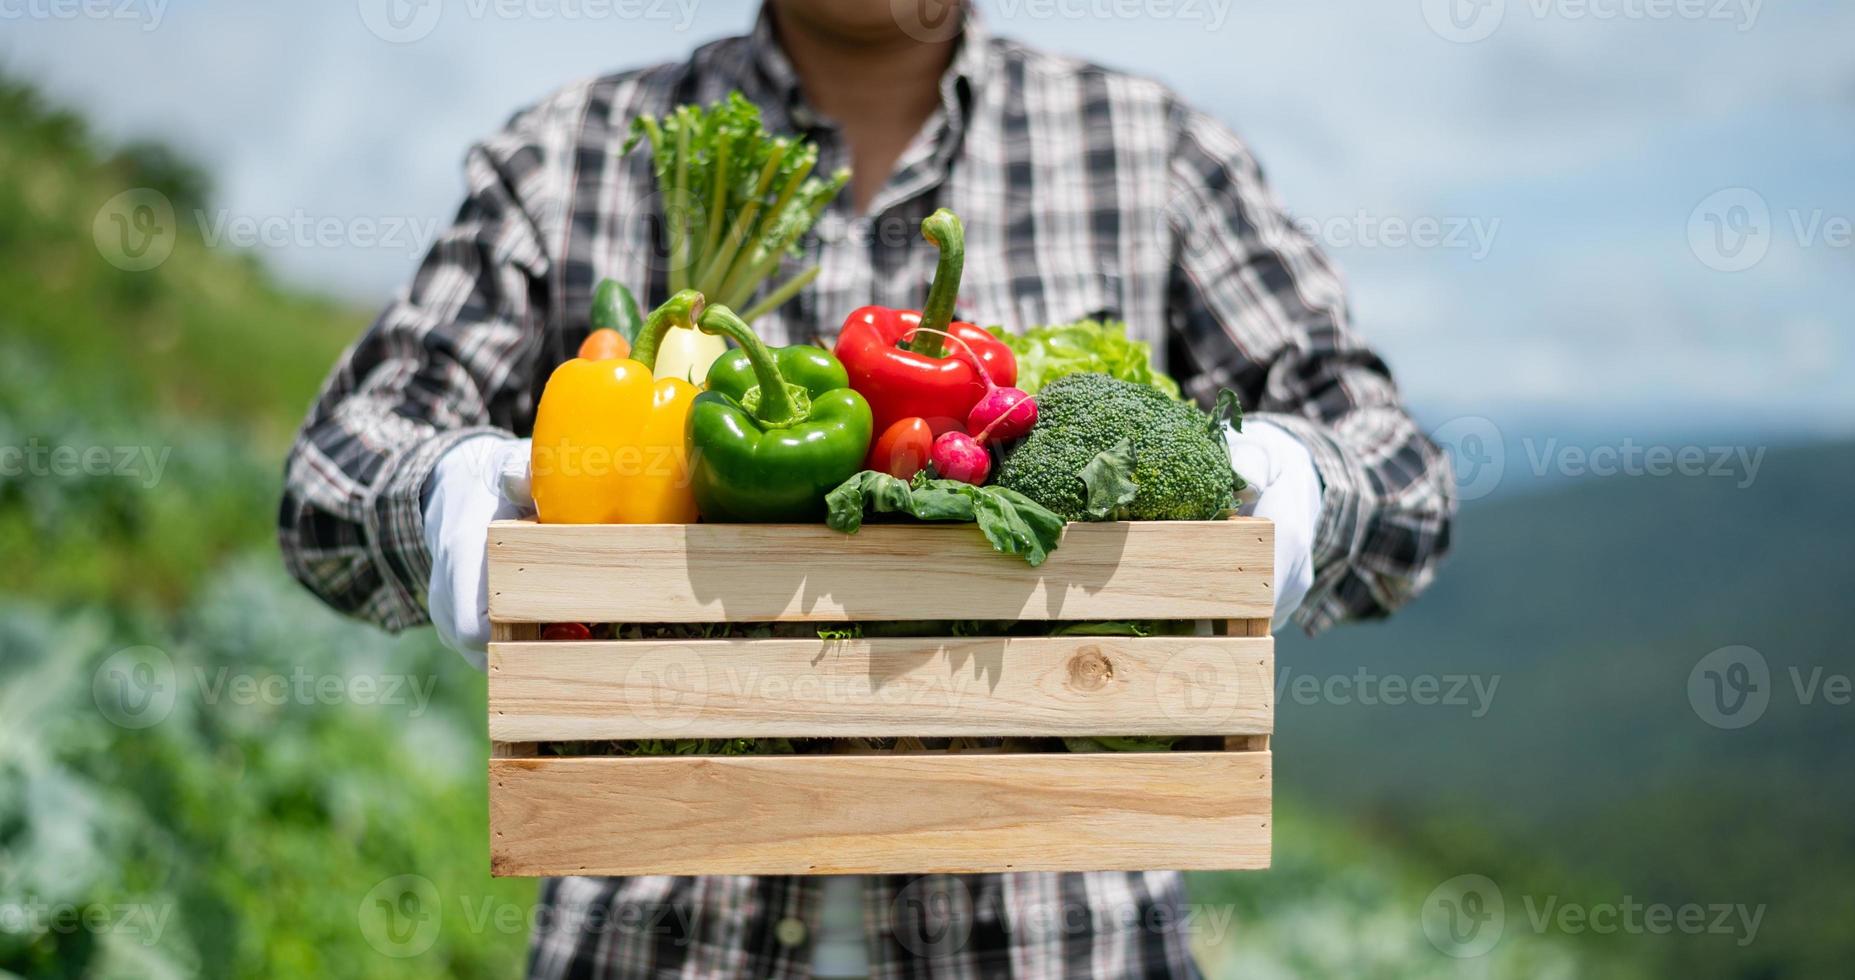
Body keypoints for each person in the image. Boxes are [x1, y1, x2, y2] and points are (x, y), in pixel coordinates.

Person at [280, 1, 1456, 975]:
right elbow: (331, 471)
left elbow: (1400, 474)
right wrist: (441, 487)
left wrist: (1306, 477)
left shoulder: (1158, 153)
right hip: (650, 930)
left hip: (1062, 936)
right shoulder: (568, 154)